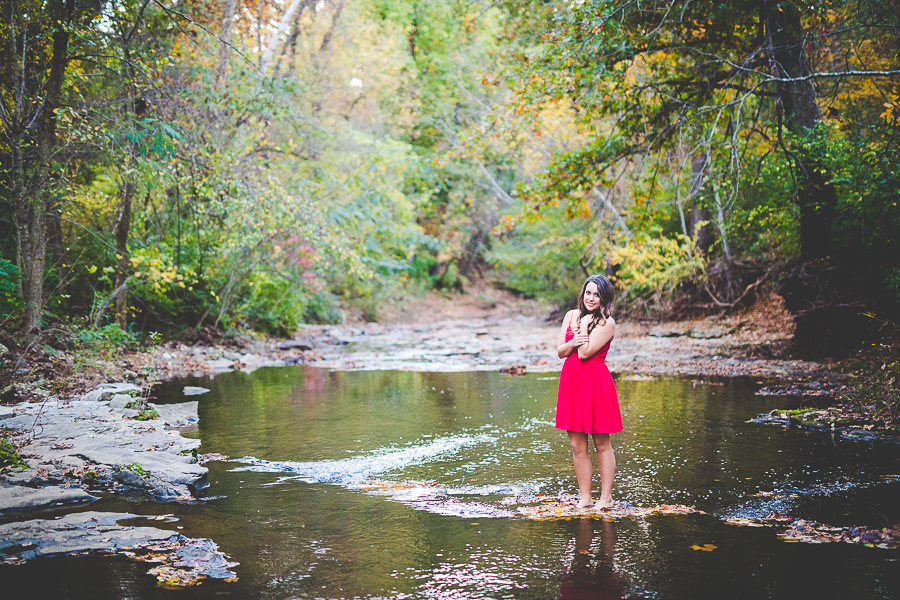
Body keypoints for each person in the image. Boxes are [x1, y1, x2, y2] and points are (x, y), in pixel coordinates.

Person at [555, 274, 622, 509]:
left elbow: (584, 354)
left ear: (604, 298)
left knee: (601, 443)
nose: (591, 298)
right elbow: (561, 351)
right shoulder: (570, 315)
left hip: (596, 383)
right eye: (588, 293)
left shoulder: (607, 323)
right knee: (577, 446)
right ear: (582, 294)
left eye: (596, 294)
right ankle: (585, 497)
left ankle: (606, 498)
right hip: (572, 381)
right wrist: (572, 342)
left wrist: (583, 326)